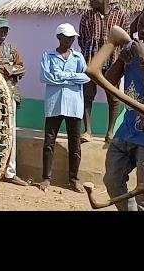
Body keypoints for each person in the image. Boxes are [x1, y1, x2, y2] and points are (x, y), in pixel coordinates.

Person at [101, 1, 144, 210]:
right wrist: (121, 61)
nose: (143, 30)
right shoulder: (131, 49)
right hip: (127, 130)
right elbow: (108, 82)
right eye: (141, 24)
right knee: (112, 182)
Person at [39, 23, 89, 193]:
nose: (70, 40)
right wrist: (73, 79)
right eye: (67, 37)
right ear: (59, 37)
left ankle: (74, 179)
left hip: (74, 105)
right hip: (54, 105)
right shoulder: (48, 56)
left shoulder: (78, 57)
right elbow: (45, 77)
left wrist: (63, 76)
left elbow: (86, 77)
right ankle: (46, 178)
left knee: (75, 144)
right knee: (49, 142)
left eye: (72, 38)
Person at [78, 0, 129, 143]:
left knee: (113, 98)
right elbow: (82, 39)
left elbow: (125, 40)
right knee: (87, 96)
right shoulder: (87, 16)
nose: (91, 0)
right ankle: (88, 131)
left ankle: (110, 132)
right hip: (92, 62)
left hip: (113, 62)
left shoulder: (120, 16)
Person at [0, 17, 28, 187]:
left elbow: (21, 69)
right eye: (0, 30)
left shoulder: (12, 49)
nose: (3, 33)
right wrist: (8, 69)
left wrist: (9, 70)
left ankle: (10, 172)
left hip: (11, 94)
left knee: (11, 135)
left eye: (5, 31)